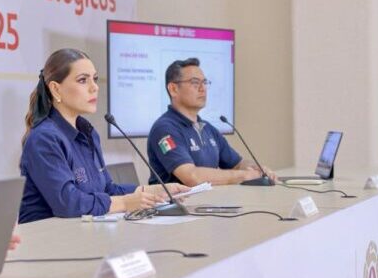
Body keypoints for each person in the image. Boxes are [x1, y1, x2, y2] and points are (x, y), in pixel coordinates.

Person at [19, 48, 187, 223]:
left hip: (81, 234)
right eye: (83, 80)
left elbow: (107, 189)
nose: (94, 87)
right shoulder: (44, 138)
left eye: (95, 79)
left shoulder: (88, 133)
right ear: (55, 89)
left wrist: (156, 191)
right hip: (47, 240)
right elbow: (68, 203)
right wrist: (125, 202)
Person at [147, 58, 277, 186]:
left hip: (207, 205)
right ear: (173, 89)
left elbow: (237, 164)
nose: (203, 88)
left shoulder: (207, 129)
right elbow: (191, 177)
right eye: (195, 82)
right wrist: (243, 176)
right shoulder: (164, 129)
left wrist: (257, 169)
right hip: (177, 206)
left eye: (204, 82)